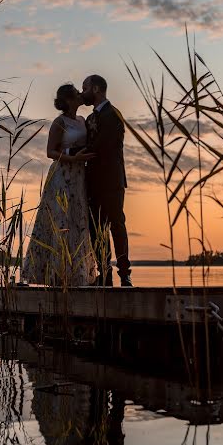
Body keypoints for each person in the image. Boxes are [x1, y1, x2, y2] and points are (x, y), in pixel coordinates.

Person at [21, 84, 98, 286]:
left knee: (77, 219)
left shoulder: (82, 120)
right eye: (77, 93)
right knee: (61, 220)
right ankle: (56, 274)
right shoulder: (59, 122)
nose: (81, 95)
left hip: (79, 176)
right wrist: (73, 157)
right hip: (63, 174)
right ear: (69, 99)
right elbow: (50, 152)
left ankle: (77, 274)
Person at [79, 74, 133, 287]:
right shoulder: (91, 118)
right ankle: (105, 275)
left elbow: (102, 146)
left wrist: (71, 154)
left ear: (96, 88)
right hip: (93, 182)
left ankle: (125, 274)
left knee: (116, 225)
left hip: (112, 181)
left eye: (85, 88)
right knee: (97, 229)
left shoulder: (113, 115)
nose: (83, 93)